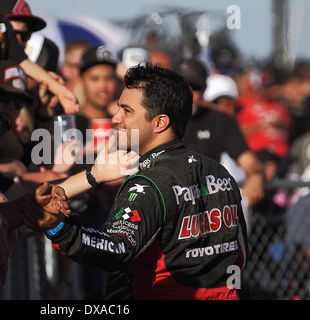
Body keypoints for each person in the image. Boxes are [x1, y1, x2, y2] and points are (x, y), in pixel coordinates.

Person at [24, 63, 248, 300]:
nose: (115, 118)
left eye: (127, 111)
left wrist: (59, 228)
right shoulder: (220, 172)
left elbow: (115, 250)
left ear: (159, 122)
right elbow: (239, 254)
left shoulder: (149, 182)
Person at [0, 0, 79, 114]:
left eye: (25, 35)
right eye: (18, 34)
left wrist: (60, 91)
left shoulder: (2, 22)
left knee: (5, 128)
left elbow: (23, 61)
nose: (21, 38)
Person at [177, 59, 265, 213]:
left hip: (203, 203)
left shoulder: (220, 120)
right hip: (164, 198)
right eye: (183, 86)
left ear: (204, 90)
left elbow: (248, 160)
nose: (188, 92)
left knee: (241, 204)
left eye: (195, 87)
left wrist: (256, 176)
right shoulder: (158, 116)